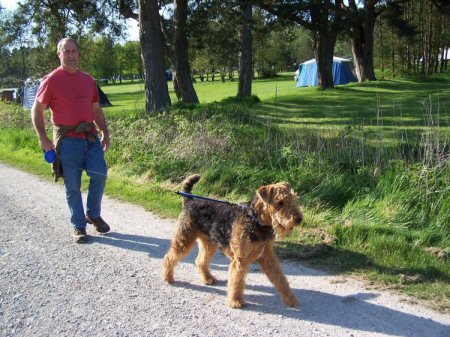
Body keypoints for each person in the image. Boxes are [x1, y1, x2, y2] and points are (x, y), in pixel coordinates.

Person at [31, 37, 111, 243]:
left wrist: (105, 131)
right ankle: (79, 226)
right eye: (66, 51)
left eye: (74, 51)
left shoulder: (88, 80)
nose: (71, 55)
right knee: (73, 185)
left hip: (90, 136)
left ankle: (93, 213)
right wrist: (43, 137)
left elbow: (95, 109)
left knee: (100, 174)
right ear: (59, 54)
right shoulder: (51, 80)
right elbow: (37, 110)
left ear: (79, 54)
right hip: (68, 140)